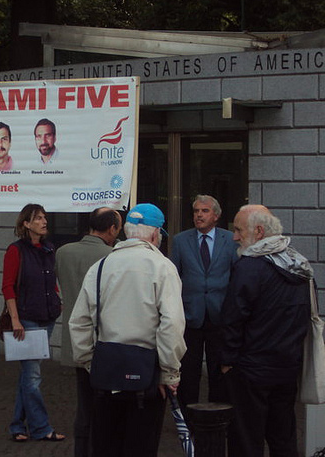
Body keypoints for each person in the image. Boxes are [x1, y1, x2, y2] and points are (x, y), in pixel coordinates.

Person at [69, 203, 186, 457]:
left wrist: (89, 362)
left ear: (127, 231)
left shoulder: (101, 266)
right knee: (141, 445)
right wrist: (169, 373)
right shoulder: (163, 267)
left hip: (106, 371)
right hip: (148, 373)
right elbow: (172, 324)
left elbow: (79, 321)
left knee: (106, 445)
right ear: (155, 234)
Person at [220, 205, 311, 457]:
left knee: (246, 441)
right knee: (283, 437)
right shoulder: (298, 264)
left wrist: (227, 361)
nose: (235, 237)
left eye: (239, 230)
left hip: (251, 369)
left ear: (259, 232)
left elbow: (233, 317)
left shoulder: (249, 267)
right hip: (287, 366)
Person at [55, 207, 122, 457]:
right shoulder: (113, 256)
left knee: (84, 406)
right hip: (105, 343)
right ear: (112, 228)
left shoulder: (63, 252)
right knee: (104, 408)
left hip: (75, 342)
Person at [169, 195, 238, 412]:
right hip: (191, 314)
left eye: (205, 211)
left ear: (216, 216)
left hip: (220, 314)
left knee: (219, 369)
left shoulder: (230, 240)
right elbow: (174, 276)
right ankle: (187, 415)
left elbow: (237, 276)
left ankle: (219, 413)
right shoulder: (181, 240)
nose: (199, 215)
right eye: (196, 211)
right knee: (189, 369)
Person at [2, 203, 65, 443]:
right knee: (32, 376)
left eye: (44, 217)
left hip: (47, 317)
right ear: (26, 224)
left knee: (28, 375)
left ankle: (18, 426)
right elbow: (8, 286)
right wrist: (15, 319)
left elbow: (50, 279)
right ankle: (41, 428)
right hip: (27, 319)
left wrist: (57, 299)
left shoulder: (48, 248)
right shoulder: (16, 250)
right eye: (38, 218)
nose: (44, 221)